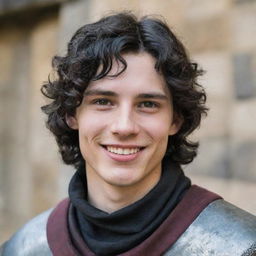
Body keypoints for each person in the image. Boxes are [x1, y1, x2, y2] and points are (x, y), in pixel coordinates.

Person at [1, 12, 256, 256]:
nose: (124, 127)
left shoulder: (240, 246)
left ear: (175, 120)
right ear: (72, 114)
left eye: (148, 104)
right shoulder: (22, 249)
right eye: (103, 101)